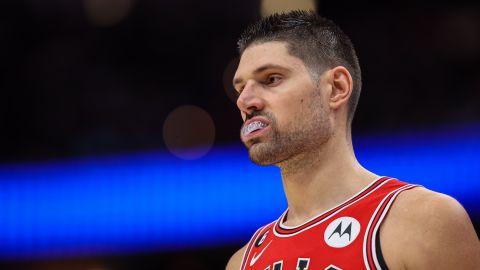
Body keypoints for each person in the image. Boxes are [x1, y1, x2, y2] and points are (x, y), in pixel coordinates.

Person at [226, 10, 480, 270]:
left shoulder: (423, 223)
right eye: (240, 88)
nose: (245, 101)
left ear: (336, 88)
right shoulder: (241, 263)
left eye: (271, 79)